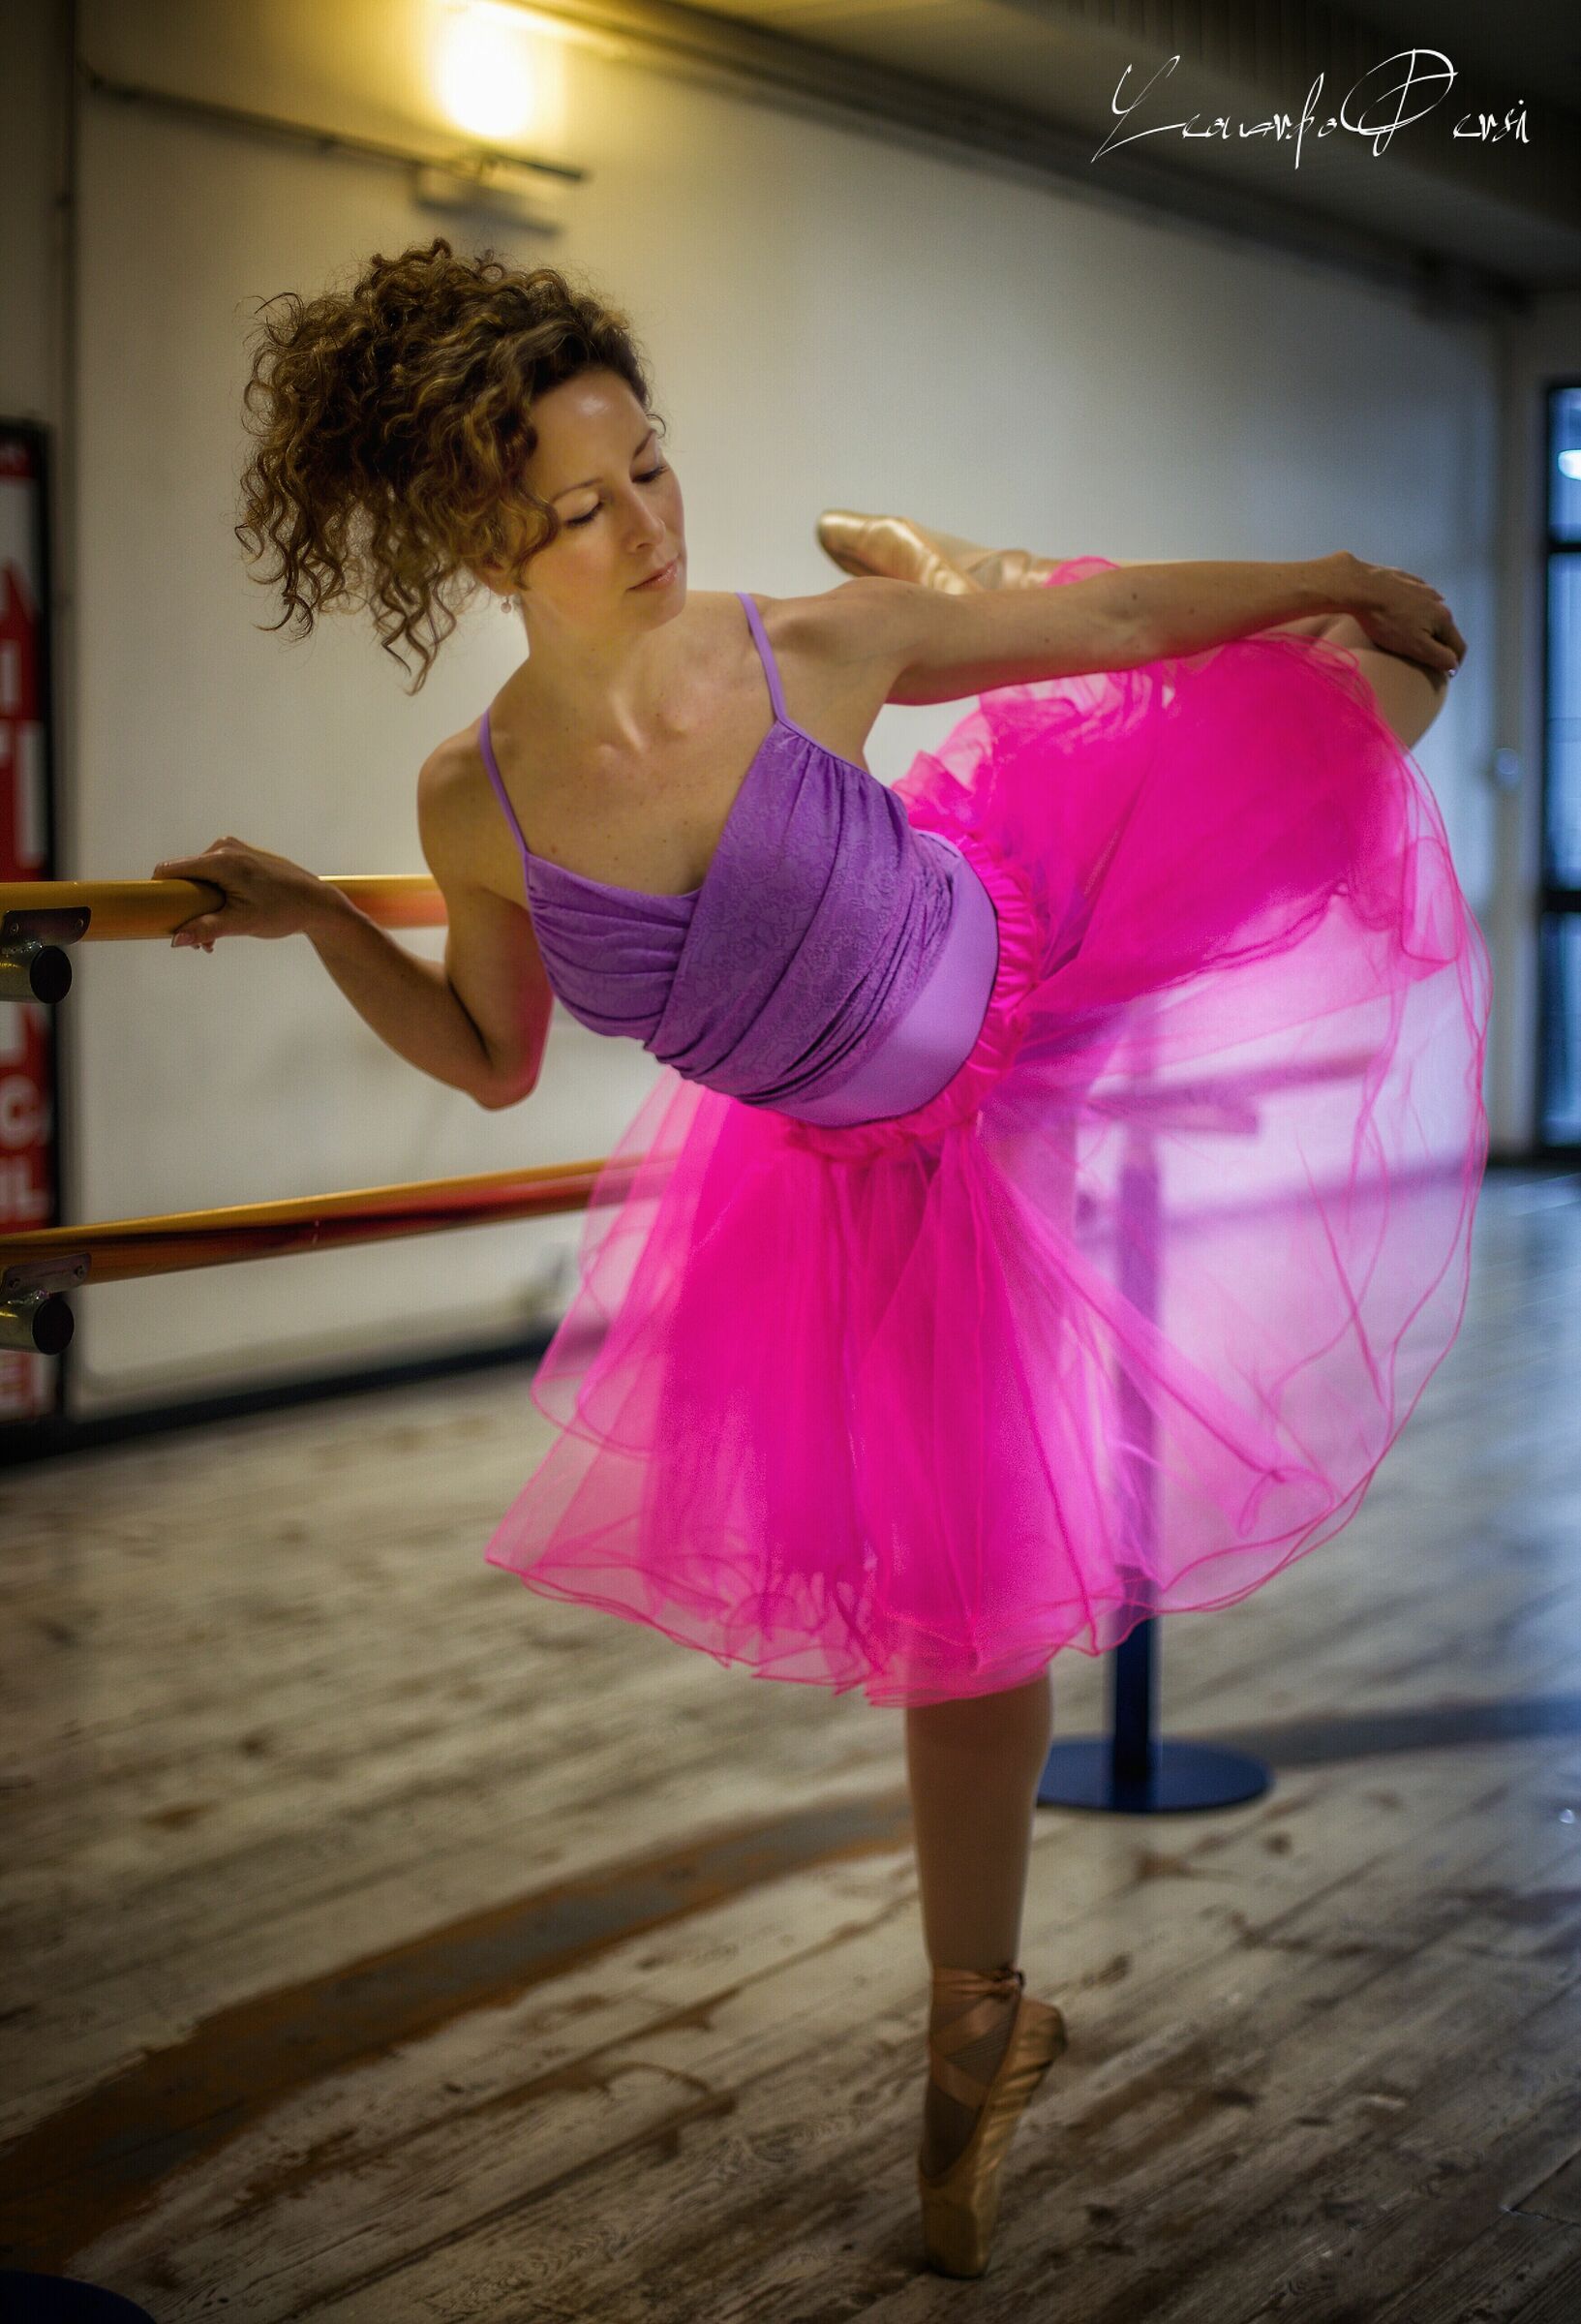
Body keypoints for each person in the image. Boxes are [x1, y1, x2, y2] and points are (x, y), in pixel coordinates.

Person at [151, 237, 1487, 2278]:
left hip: (1043, 939)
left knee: (1363, 695)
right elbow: (494, 1063)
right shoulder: (475, 802)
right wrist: (321, 922)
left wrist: (1326, 565)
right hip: (876, 1179)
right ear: (478, 537)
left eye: (655, 470)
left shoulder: (793, 648)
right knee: (971, 1640)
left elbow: (1124, 617)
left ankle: (983, 572)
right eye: (581, 509)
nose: (646, 529)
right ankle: (974, 2042)